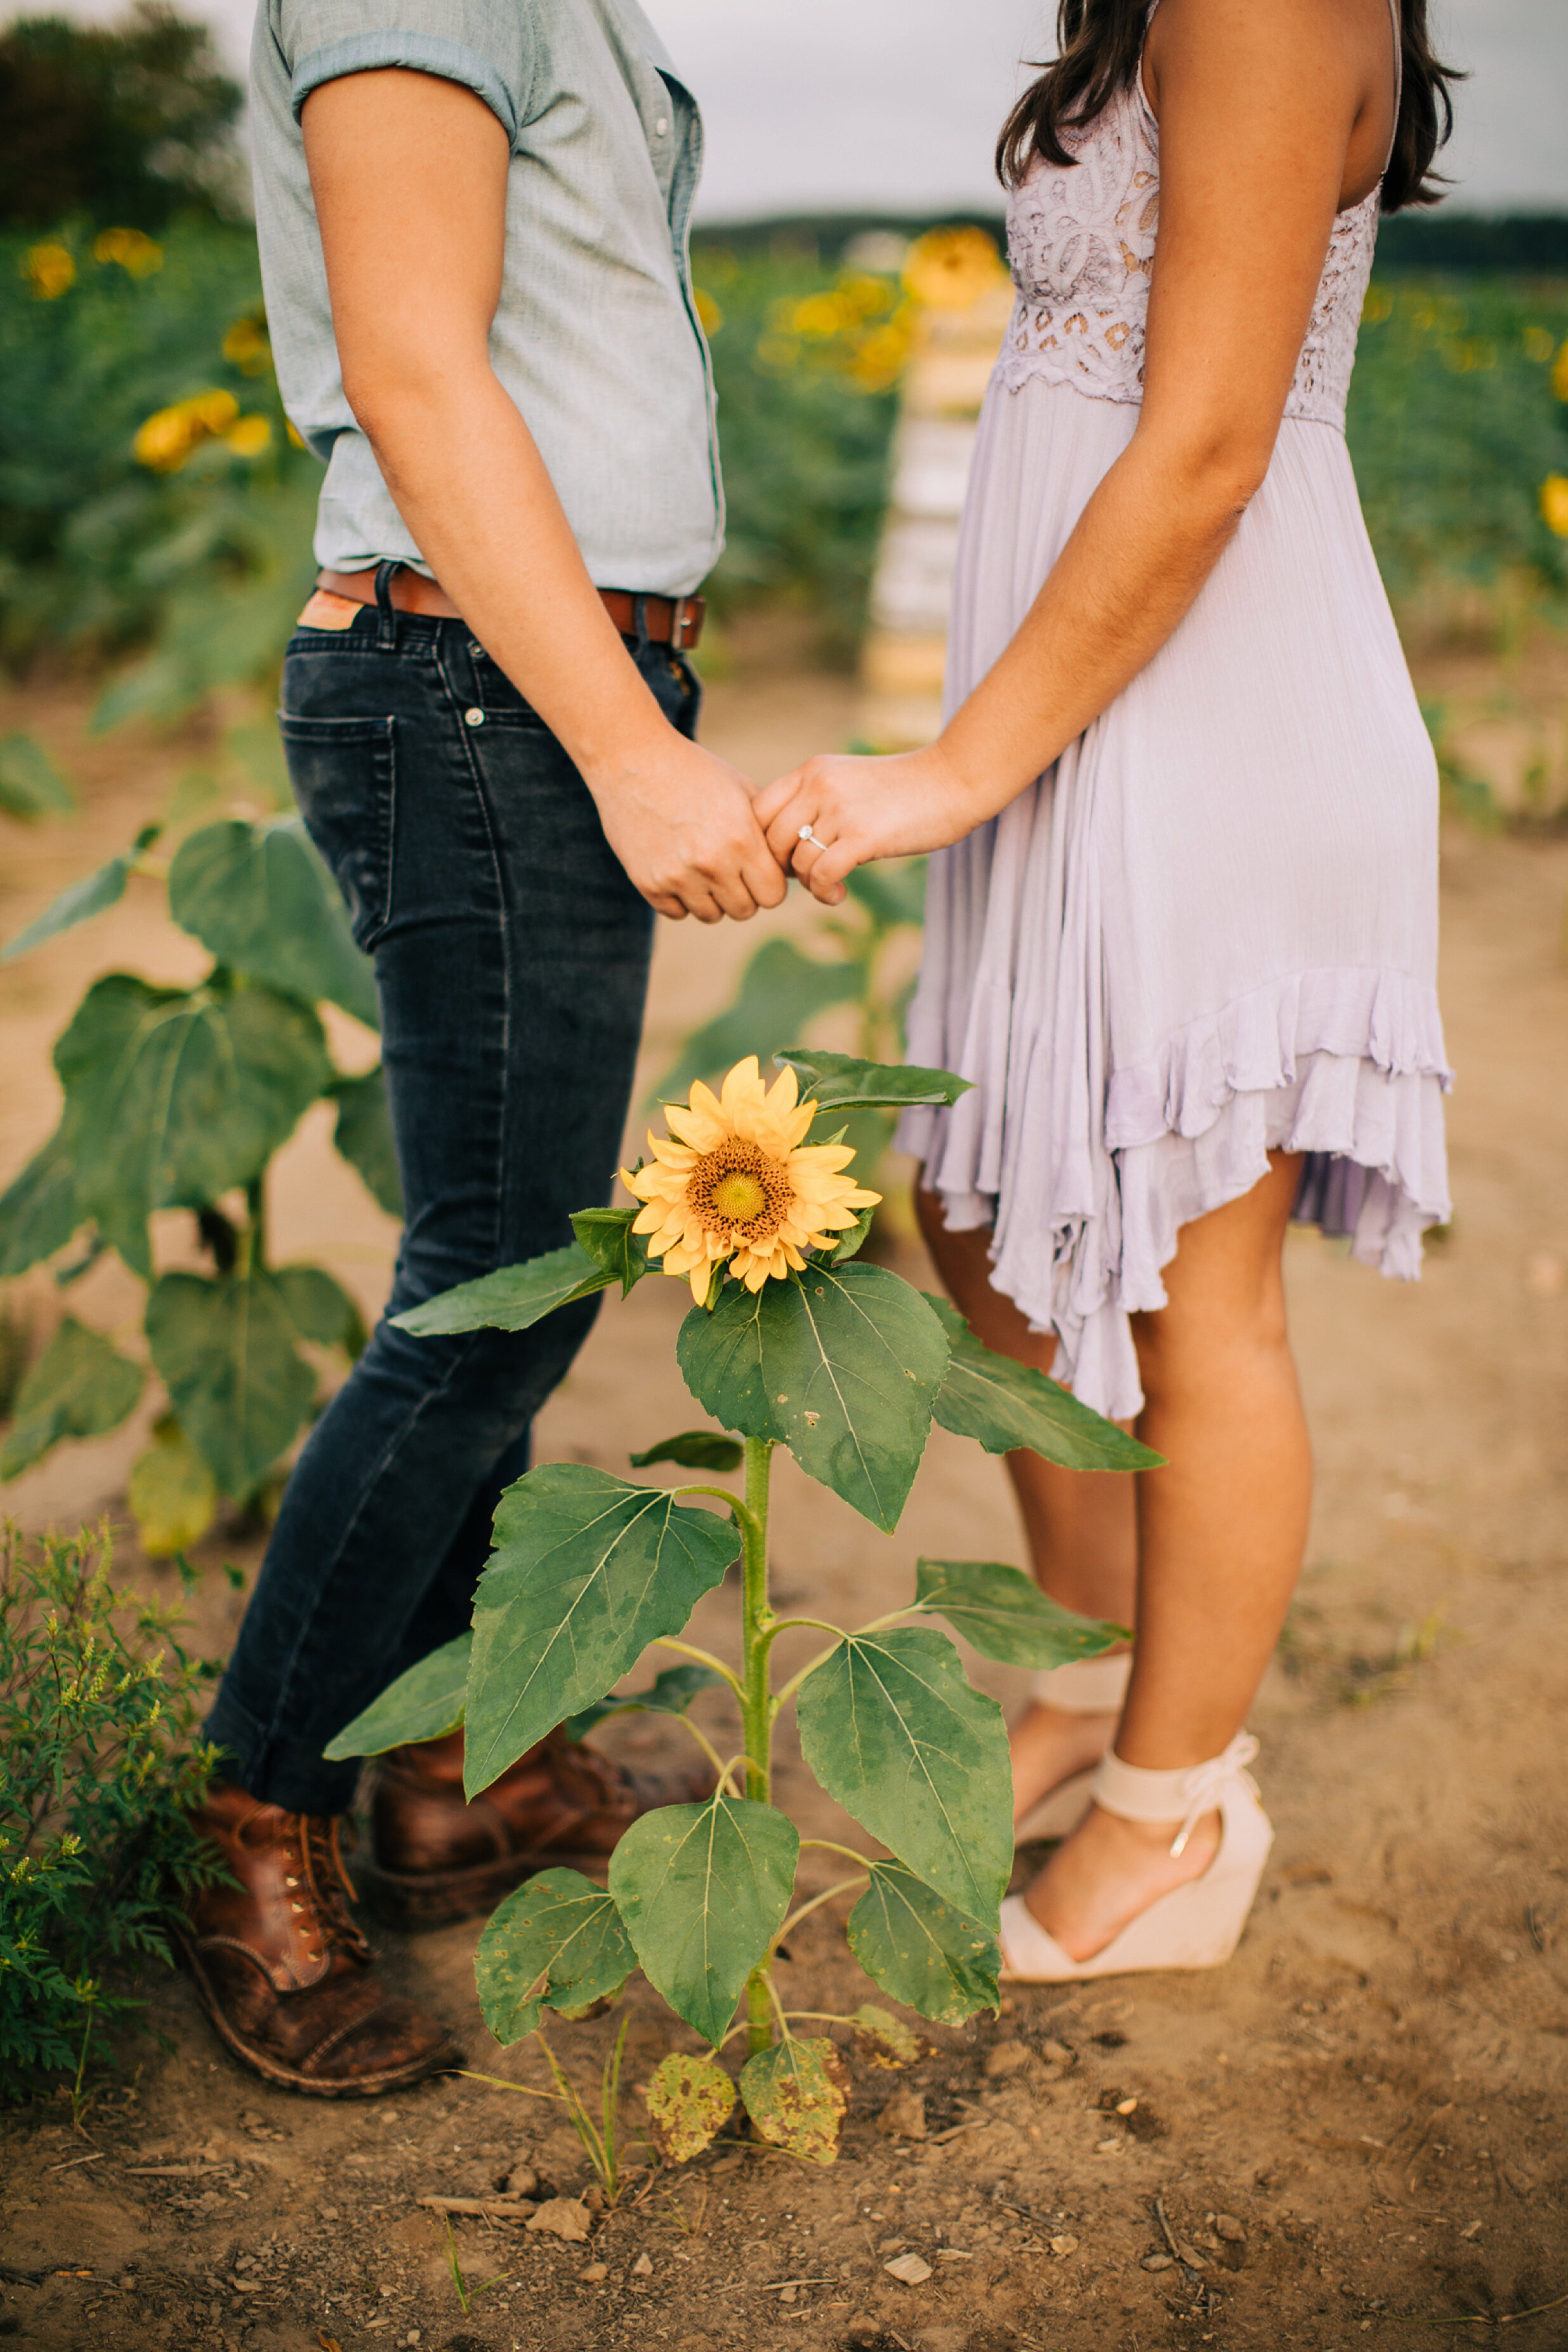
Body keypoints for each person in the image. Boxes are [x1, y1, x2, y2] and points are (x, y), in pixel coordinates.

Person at [758, 0, 1458, 1979]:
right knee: (975, 1212)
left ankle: (1176, 1810)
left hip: (1207, 706)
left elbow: (1214, 433)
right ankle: (1096, 1679)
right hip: (1082, 710)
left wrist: (959, 763)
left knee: (1190, 1290)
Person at [183, 0, 788, 2096]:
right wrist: (621, 745)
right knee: (484, 1290)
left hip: (519, 677)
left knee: (519, 1276)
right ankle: (257, 1814)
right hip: (484, 688)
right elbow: (421, 365)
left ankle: (436, 1766)